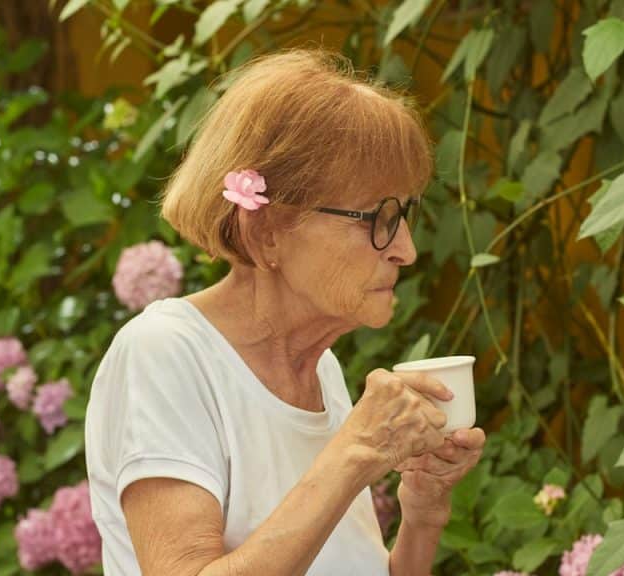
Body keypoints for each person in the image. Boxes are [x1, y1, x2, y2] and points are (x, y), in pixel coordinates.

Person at [85, 48, 486, 576]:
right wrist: (355, 452)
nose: (405, 250)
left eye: (404, 213)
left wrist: (423, 513)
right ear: (267, 231)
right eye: (378, 218)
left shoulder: (320, 370)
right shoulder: (167, 352)